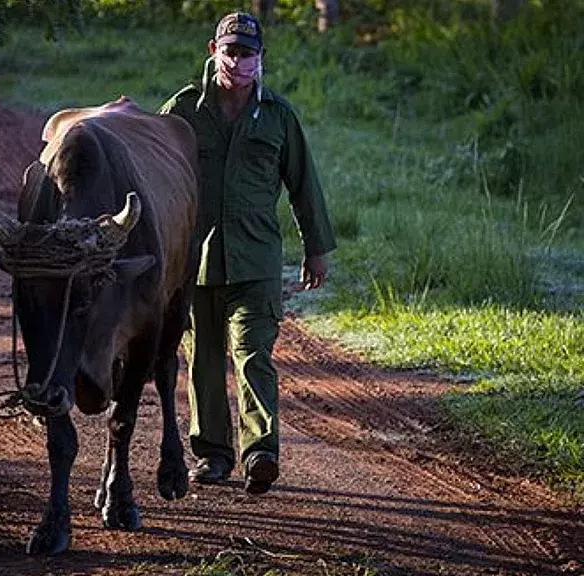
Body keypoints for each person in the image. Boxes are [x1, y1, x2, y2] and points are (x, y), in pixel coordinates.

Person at [160, 11, 336, 494]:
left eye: (248, 53)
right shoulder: (182, 111)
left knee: (253, 354)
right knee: (203, 362)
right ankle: (213, 456)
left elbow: (304, 185)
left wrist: (316, 249)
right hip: (192, 264)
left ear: (261, 59)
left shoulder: (278, 116)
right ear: (214, 50)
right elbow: (155, 180)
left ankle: (260, 451)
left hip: (255, 260)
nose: (238, 61)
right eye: (230, 50)